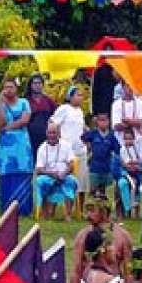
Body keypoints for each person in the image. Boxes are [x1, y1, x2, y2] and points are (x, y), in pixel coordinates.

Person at [0, 77, 34, 215]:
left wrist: (9, 128)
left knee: (22, 172)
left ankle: (23, 208)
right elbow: (1, 123)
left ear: (16, 89)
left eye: (11, 87)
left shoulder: (24, 103)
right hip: (5, 147)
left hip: (21, 144)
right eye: (6, 87)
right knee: (7, 173)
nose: (8, 90)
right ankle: (7, 208)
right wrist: (0, 103)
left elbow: (24, 120)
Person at [51, 86, 89, 214]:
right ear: (70, 96)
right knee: (66, 179)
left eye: (81, 95)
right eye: (77, 95)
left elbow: (82, 128)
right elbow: (53, 123)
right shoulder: (64, 109)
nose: (80, 98)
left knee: (82, 181)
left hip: (80, 150)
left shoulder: (80, 111)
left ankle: (80, 210)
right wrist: (59, 140)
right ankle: (65, 209)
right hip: (67, 151)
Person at [35, 123, 79, 221]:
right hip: (48, 176)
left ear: (59, 133)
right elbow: (38, 169)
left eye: (54, 133)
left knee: (71, 181)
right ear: (46, 133)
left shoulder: (66, 145)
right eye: (50, 133)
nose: (52, 135)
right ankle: (45, 213)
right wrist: (51, 174)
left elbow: (72, 164)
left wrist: (63, 173)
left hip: (64, 175)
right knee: (40, 181)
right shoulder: (42, 148)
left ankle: (67, 214)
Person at [24, 75, 56, 162]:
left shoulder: (48, 101)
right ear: (31, 85)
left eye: (40, 83)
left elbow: (56, 116)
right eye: (35, 83)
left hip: (46, 137)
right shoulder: (26, 101)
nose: (37, 85)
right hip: (30, 137)